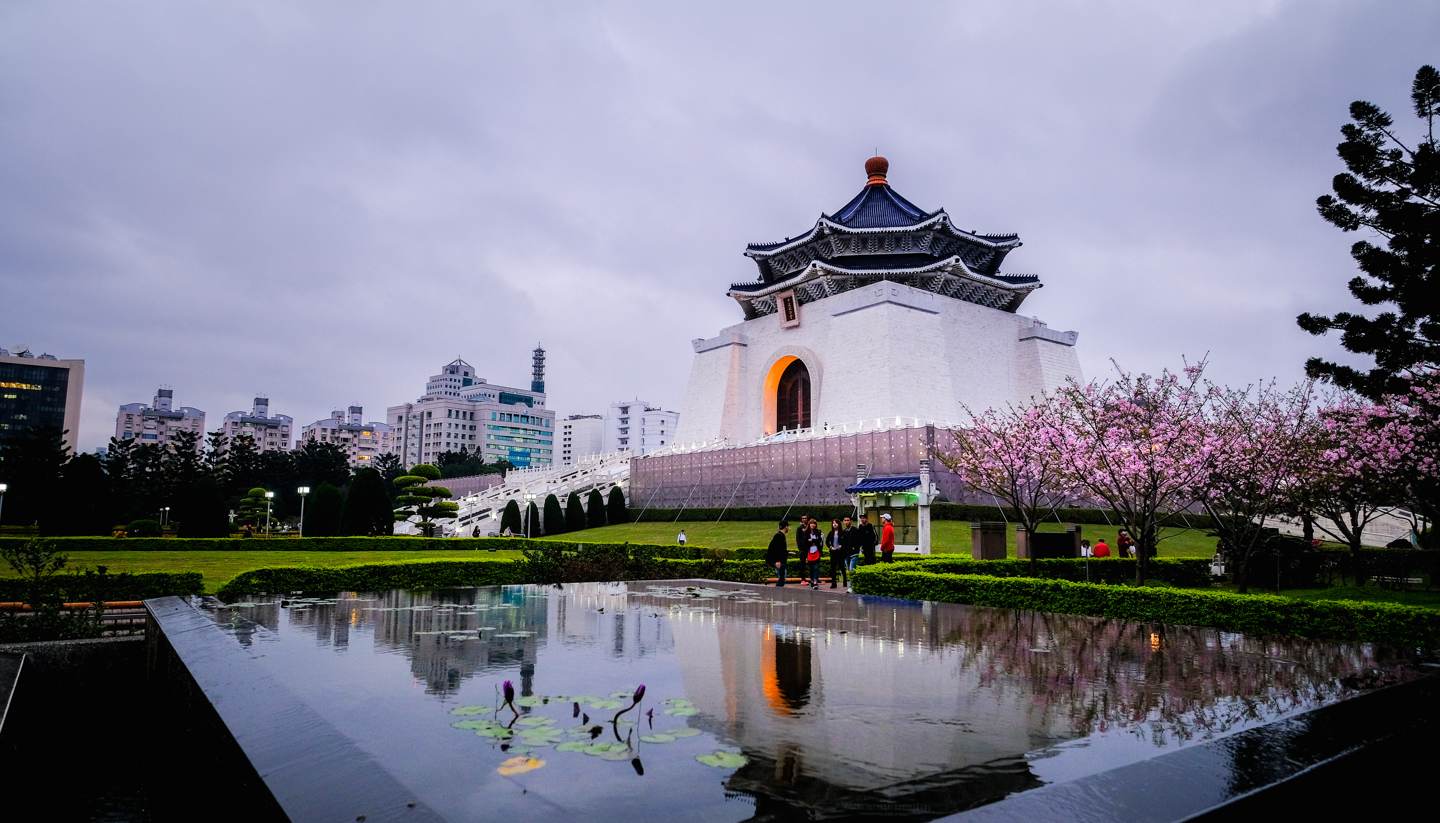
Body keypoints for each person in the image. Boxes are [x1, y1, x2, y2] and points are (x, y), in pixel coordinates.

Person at [766, 520, 791, 587]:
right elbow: (776, 550)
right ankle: (777, 592)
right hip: (779, 561)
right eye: (788, 527)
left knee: (782, 577)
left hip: (780, 561)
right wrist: (777, 561)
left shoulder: (780, 535)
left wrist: (788, 552)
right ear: (786, 527)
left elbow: (781, 549)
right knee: (782, 578)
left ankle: (778, 591)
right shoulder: (779, 536)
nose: (789, 528)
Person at [826, 519, 849, 589]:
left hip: (840, 553)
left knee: (842, 567)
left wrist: (841, 546)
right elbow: (827, 542)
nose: (834, 524)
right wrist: (830, 547)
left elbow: (846, 542)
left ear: (839, 524)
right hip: (833, 552)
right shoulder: (830, 533)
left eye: (836, 523)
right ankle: (833, 583)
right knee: (833, 568)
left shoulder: (843, 532)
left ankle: (845, 581)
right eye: (833, 523)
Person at [804, 519, 824, 589]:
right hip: (809, 553)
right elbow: (805, 542)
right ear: (809, 524)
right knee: (811, 569)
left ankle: (815, 581)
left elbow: (819, 541)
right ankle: (812, 581)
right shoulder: (806, 532)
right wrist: (812, 541)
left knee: (816, 568)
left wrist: (812, 540)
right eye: (811, 523)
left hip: (817, 552)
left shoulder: (818, 532)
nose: (813, 525)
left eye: (814, 523)